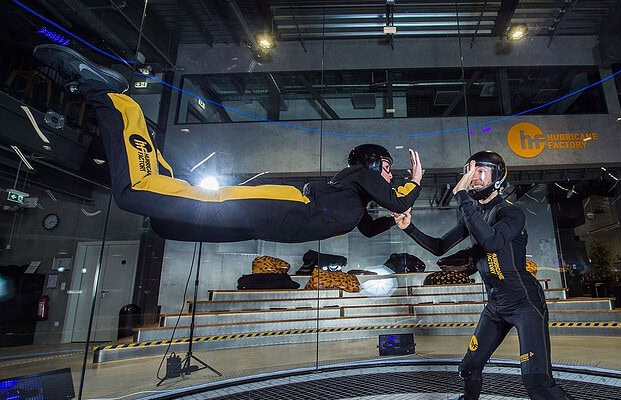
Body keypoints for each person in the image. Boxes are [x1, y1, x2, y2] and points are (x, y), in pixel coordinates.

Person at [32, 44, 423, 243]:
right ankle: (111, 96)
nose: (392, 175)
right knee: (135, 191)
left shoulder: (355, 205)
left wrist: (394, 221)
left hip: (264, 225)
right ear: (372, 166)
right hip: (280, 207)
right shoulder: (357, 177)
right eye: (389, 168)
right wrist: (414, 183)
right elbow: (398, 198)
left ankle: (153, 155)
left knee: (171, 222)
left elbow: (370, 229)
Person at [393, 151, 618, 400]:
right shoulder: (473, 215)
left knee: (540, 390)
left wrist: (460, 195)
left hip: (525, 305)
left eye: (481, 171)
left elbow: (492, 241)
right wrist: (408, 227)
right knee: (468, 367)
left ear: (497, 177)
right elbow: (438, 247)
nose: (473, 176)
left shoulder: (511, 213)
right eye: (470, 170)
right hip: (496, 306)